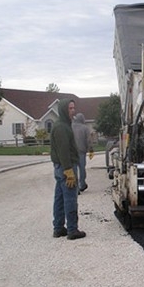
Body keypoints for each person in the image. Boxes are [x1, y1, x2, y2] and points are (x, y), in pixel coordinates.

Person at [50, 99, 86, 240]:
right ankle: (72, 230)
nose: (73, 111)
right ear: (64, 110)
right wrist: (69, 171)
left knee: (59, 199)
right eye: (70, 108)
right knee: (70, 198)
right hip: (66, 167)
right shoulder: (61, 128)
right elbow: (63, 151)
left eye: (73, 108)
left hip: (61, 168)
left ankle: (58, 228)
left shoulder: (64, 125)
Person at [72, 113, 94, 193]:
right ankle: (82, 184)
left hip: (72, 152)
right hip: (81, 151)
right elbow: (89, 140)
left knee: (74, 170)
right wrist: (91, 150)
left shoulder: (71, 127)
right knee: (82, 169)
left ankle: (76, 188)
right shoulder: (85, 128)